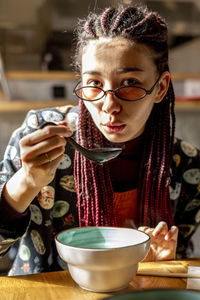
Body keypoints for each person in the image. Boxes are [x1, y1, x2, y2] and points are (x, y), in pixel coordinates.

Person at [0, 4, 200, 276]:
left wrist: (162, 263)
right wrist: (26, 181)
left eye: (129, 82)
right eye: (94, 83)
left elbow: (178, 264)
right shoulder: (39, 134)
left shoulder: (186, 166)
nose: (109, 105)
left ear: (161, 87)